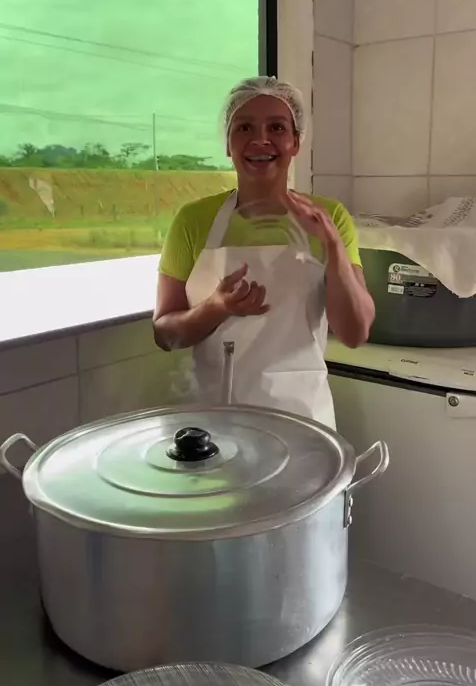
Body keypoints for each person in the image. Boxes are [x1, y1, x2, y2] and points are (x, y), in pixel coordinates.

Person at [153, 76, 374, 427]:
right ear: (228, 144)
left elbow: (355, 332)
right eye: (244, 128)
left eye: (277, 127)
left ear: (295, 142)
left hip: (302, 424)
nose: (260, 139)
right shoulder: (193, 220)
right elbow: (165, 335)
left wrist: (333, 246)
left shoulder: (329, 217)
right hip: (214, 426)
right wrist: (216, 308)